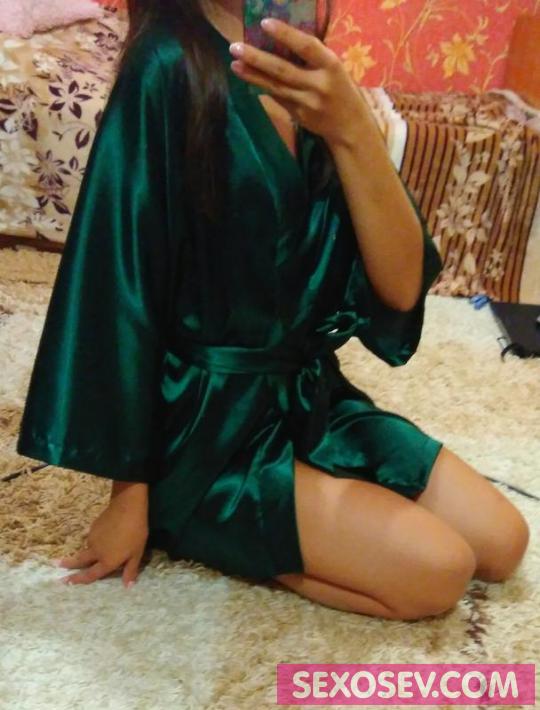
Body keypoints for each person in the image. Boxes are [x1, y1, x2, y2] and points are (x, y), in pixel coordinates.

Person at [16, 0, 529, 620]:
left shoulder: (301, 63)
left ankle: (290, 514)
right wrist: (130, 496)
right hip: (202, 425)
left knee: (502, 542)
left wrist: (351, 127)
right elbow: (119, 285)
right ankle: (190, 518)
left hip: (309, 399)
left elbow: (398, 290)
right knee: (437, 573)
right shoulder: (165, 65)